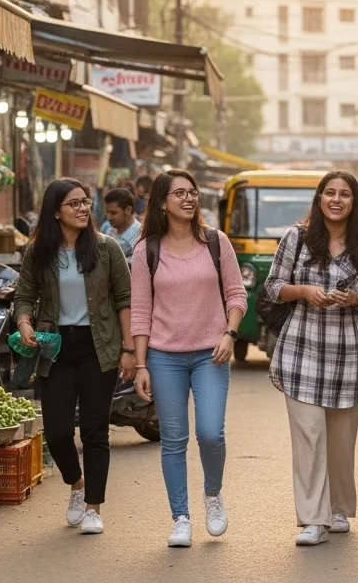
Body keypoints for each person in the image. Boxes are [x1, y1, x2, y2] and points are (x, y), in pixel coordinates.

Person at [264, 171, 358, 546]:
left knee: (341, 440)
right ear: (319, 199)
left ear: (354, 202)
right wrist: (303, 291)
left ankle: (337, 508)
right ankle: (312, 519)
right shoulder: (296, 238)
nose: (336, 199)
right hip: (302, 349)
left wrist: (355, 300)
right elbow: (272, 286)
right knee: (309, 436)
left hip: (347, 354)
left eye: (344, 194)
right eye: (329, 193)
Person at [130, 169, 246, 548]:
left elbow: (236, 294)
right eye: (179, 193)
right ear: (162, 202)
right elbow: (140, 312)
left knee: (211, 434)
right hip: (164, 357)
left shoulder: (215, 242)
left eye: (192, 192)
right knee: (173, 440)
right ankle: (180, 517)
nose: (188, 199)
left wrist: (229, 333)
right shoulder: (146, 250)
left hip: (210, 354)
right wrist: (142, 364)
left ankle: (213, 495)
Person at [13, 178, 133, 537]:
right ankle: (77, 486)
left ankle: (94, 507)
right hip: (56, 348)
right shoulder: (40, 252)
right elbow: (24, 293)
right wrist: (23, 322)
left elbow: (125, 300)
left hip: (99, 346)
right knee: (58, 431)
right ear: (55, 212)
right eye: (74, 204)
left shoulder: (106, 248)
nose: (83, 209)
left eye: (85, 202)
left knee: (95, 431)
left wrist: (129, 349)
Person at [100, 188, 143, 265]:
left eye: (113, 213)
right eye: (107, 212)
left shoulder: (140, 237)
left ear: (128, 210)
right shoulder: (110, 231)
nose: (108, 217)